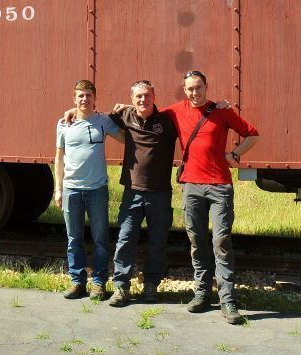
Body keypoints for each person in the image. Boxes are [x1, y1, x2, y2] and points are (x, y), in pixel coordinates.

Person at [163, 70, 259, 325]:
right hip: (192, 186)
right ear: (185, 90)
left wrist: (235, 154)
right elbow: (146, 111)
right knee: (196, 240)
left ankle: (227, 300)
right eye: (190, 89)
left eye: (199, 88)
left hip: (219, 186)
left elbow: (252, 134)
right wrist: (122, 106)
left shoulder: (221, 111)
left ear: (207, 86)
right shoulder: (176, 111)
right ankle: (202, 293)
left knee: (221, 242)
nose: (195, 93)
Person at [106, 80, 178, 307]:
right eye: (138, 96)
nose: (142, 100)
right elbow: (93, 117)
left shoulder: (168, 120)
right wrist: (72, 111)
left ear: (154, 96)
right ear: (131, 98)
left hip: (160, 193)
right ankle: (121, 288)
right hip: (133, 192)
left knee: (158, 241)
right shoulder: (125, 115)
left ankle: (151, 286)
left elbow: (194, 117)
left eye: (146, 96)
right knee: (125, 239)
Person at [54, 80, 123, 300]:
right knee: (73, 239)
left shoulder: (103, 121)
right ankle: (77, 282)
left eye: (88, 96)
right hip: (71, 190)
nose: (85, 99)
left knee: (100, 239)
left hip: (97, 190)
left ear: (95, 98)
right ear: (74, 99)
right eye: (80, 96)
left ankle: (99, 283)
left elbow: (125, 138)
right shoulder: (64, 124)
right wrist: (58, 189)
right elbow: (58, 157)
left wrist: (121, 113)